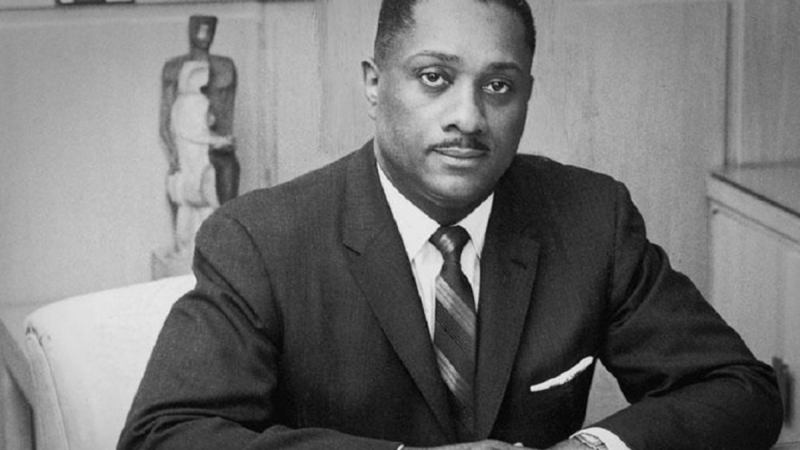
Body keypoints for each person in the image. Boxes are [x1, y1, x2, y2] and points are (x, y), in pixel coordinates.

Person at [120, 0, 783, 449]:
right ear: (374, 84)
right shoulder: (261, 239)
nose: (468, 116)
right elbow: (163, 435)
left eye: (498, 86)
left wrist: (590, 448)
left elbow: (741, 391)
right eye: (435, 77)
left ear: (526, 96)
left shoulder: (590, 218)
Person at [160, 15, 239, 209]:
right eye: (199, 28)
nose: (204, 35)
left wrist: (223, 142)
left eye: (209, 29)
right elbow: (166, 124)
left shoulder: (225, 68)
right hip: (188, 151)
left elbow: (226, 115)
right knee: (186, 191)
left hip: (213, 149)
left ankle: (224, 222)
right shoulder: (176, 77)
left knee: (227, 172)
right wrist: (175, 157)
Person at [166, 60, 232, 254]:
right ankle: (206, 249)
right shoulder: (198, 102)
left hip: (184, 167)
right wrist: (220, 140)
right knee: (207, 206)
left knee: (187, 209)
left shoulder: (178, 104)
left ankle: (186, 249)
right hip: (197, 164)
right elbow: (198, 133)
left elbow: (184, 132)